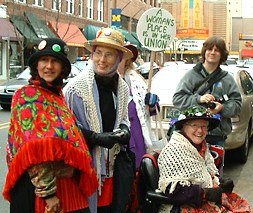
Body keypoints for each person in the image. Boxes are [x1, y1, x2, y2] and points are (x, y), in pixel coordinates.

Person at [2, 38, 98, 213]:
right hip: (38, 190)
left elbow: (67, 140)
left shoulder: (57, 97)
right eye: (44, 60)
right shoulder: (26, 96)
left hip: (66, 187)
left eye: (55, 61)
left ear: (63, 68)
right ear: (36, 65)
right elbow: (34, 150)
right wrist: (48, 194)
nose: (49, 66)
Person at [63, 28, 134, 213]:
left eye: (109, 55)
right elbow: (66, 128)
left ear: (118, 58)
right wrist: (95, 137)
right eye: (98, 53)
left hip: (111, 168)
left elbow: (124, 117)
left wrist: (125, 129)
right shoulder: (74, 89)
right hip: (85, 170)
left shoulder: (122, 87)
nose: (102, 60)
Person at [157, 106, 252, 213]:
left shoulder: (202, 148)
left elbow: (205, 175)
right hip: (182, 206)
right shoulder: (173, 150)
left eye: (204, 126)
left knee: (241, 206)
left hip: (204, 201)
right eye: (194, 125)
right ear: (184, 127)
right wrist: (205, 193)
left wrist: (221, 182)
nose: (200, 130)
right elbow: (172, 191)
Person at [172, 36, 242, 148]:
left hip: (217, 135)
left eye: (217, 50)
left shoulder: (227, 79)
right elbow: (178, 99)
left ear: (222, 55)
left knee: (214, 165)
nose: (212, 53)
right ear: (204, 52)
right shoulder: (191, 76)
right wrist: (199, 99)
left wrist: (222, 108)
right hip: (191, 135)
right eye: (209, 49)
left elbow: (237, 105)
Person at [117, 43, 160, 168]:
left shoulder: (136, 80)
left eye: (123, 55)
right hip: (118, 139)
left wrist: (152, 103)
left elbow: (149, 110)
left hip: (137, 135)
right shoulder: (105, 79)